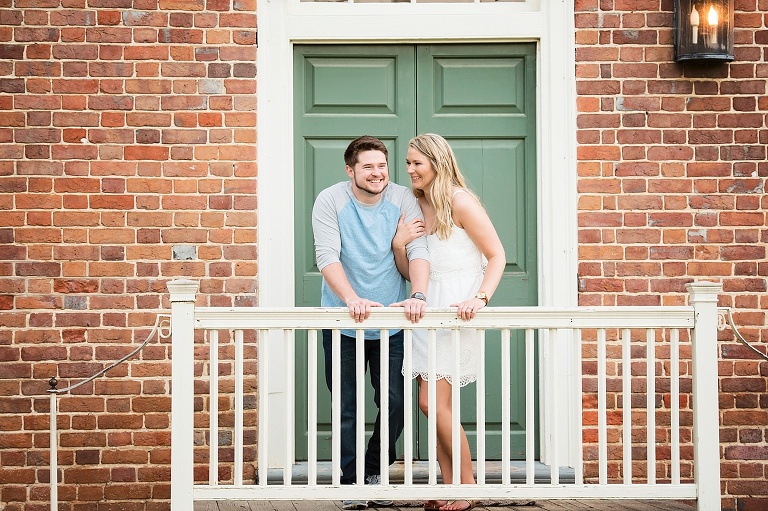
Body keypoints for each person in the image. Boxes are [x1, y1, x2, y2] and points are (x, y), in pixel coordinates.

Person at [312, 135, 431, 510]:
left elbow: (419, 249)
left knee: (396, 401)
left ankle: (375, 469)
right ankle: (351, 480)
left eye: (382, 165)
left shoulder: (402, 198)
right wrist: (352, 298)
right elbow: (327, 256)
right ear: (350, 171)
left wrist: (418, 295)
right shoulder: (330, 200)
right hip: (343, 321)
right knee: (346, 405)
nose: (377, 173)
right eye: (367, 167)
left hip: (391, 323)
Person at [393, 133, 506, 511]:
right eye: (408, 163)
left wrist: (481, 297)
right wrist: (399, 244)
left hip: (457, 313)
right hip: (426, 313)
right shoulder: (416, 204)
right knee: (434, 406)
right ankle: (449, 483)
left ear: (437, 163)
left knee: (431, 402)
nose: (410, 169)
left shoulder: (461, 201)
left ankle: (468, 484)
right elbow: (410, 271)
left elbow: (497, 255)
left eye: (416, 163)